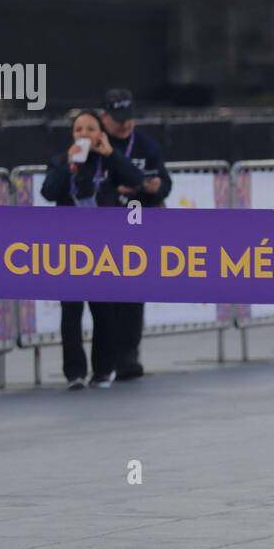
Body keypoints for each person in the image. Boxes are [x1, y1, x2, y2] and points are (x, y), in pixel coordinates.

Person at [40, 110, 145, 389]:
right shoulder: (60, 161)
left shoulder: (108, 163)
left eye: (90, 129)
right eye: (78, 129)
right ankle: (74, 371)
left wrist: (111, 154)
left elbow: (136, 179)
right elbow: (48, 192)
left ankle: (103, 369)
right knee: (71, 311)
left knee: (104, 311)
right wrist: (67, 166)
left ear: (100, 133)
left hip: (103, 247)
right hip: (70, 247)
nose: (83, 134)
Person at [102, 89, 172, 381]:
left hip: (137, 225)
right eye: (119, 120)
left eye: (129, 119)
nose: (125, 125)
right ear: (105, 117)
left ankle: (128, 355)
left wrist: (155, 187)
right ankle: (104, 357)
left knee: (133, 292)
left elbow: (165, 181)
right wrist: (118, 187)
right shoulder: (96, 144)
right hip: (104, 225)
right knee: (106, 295)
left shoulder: (145, 145)